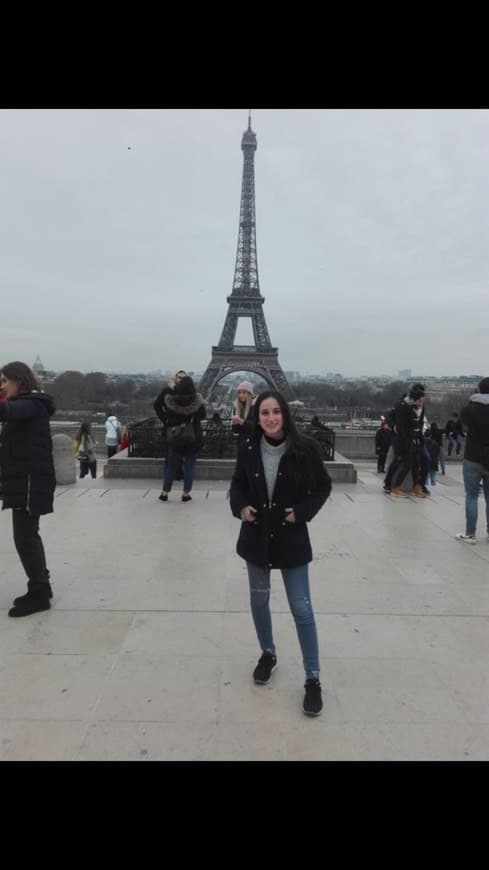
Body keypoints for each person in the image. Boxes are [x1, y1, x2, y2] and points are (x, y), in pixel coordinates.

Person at [230, 390, 332, 716]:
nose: (271, 418)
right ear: (256, 417)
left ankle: (312, 678)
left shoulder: (306, 449)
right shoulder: (247, 448)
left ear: (285, 413)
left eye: (276, 412)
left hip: (290, 537)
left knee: (301, 607)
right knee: (259, 599)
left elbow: (323, 486)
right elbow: (237, 484)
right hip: (257, 536)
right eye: (264, 413)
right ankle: (268, 653)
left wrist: (300, 513)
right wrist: (241, 507)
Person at [0, 361, 55, 617]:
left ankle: (39, 593)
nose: (2, 386)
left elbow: (7, 412)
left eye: (4, 381)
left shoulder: (32, 403)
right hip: (26, 478)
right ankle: (41, 583)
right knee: (28, 534)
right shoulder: (31, 403)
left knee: (24, 536)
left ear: (18, 380)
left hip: (31, 480)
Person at [159, 376, 206, 502]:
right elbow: (202, 415)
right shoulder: (197, 400)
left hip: (177, 438)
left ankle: (164, 493)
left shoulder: (172, 401)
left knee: (171, 467)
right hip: (193, 438)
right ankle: (185, 494)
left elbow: (168, 418)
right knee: (189, 467)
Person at [456, 377, 489, 544]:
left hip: (473, 456)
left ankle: (470, 533)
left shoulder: (469, 409)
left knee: (471, 497)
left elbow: (464, 428)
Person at [389, 383, 426, 497]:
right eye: (420, 401)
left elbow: (419, 423)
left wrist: (420, 435)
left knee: (416, 464)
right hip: (405, 440)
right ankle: (396, 486)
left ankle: (416, 486)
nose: (421, 403)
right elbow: (401, 425)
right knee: (407, 464)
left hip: (416, 438)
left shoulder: (420, 407)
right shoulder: (403, 406)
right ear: (414, 399)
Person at [154, 370, 187, 483]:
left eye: (183, 378)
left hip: (182, 427)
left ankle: (178, 474)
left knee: (180, 452)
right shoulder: (167, 391)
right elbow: (157, 405)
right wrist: (165, 419)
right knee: (170, 452)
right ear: (175, 378)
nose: (181, 380)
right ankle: (170, 475)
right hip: (171, 426)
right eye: (179, 377)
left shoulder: (186, 392)